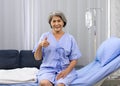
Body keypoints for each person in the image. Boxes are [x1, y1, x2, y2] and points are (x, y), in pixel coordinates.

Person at [33, 11, 82, 86]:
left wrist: (66, 71)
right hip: (47, 70)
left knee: (60, 85)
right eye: (54, 21)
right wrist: (40, 45)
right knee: (44, 83)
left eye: (59, 21)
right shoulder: (44, 36)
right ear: (50, 23)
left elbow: (74, 59)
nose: (56, 24)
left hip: (65, 69)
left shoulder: (70, 38)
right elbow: (37, 58)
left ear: (63, 22)